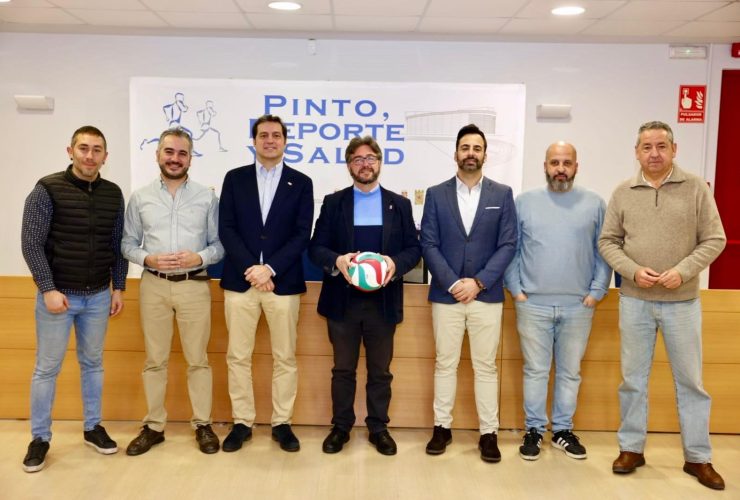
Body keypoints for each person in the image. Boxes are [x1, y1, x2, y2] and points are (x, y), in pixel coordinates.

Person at [598, 121, 726, 490]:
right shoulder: (623, 192)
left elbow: (715, 239)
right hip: (635, 301)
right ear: (636, 152)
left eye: (661, 146)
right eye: (647, 147)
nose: (654, 153)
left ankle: (697, 457)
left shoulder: (696, 188)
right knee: (632, 381)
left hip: (682, 303)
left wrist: (682, 272)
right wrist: (632, 271)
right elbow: (608, 242)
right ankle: (631, 449)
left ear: (674, 149)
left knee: (691, 382)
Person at [21, 125, 127, 472]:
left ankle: (93, 427)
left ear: (105, 156)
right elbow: (31, 244)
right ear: (71, 151)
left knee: (93, 364)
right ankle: (40, 438)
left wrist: (119, 287)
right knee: (46, 369)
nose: (89, 156)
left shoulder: (113, 193)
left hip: (97, 297)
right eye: (83, 148)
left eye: (97, 150)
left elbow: (117, 245)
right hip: (58, 298)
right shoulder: (47, 189)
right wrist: (48, 288)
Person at [309, 135, 420, 456]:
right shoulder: (334, 203)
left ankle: (378, 428)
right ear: (349, 166)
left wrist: (394, 264)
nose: (365, 164)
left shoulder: (399, 205)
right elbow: (316, 248)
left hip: (383, 303)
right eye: (357, 159)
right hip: (342, 302)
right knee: (342, 369)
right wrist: (337, 260)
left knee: (380, 371)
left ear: (380, 163)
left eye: (370, 158)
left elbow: (414, 250)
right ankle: (341, 427)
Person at [504, 141, 611, 461]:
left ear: (576, 166)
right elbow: (511, 249)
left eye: (566, 162)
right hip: (532, 303)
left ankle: (563, 430)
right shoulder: (524, 202)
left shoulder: (595, 203)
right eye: (554, 163)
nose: (560, 168)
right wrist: (516, 290)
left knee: (569, 372)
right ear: (545, 166)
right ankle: (534, 430)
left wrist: (597, 292)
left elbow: (604, 250)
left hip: (579, 305)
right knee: (535, 371)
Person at [122, 127, 224, 456]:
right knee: (155, 360)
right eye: (169, 152)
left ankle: (203, 424)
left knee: (198, 361)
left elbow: (219, 245)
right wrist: (147, 258)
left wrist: (200, 257)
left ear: (190, 158)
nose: (175, 158)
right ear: (158, 155)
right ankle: (154, 427)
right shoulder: (140, 197)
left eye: (182, 153)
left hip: (194, 286)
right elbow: (127, 243)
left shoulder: (207, 197)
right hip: (153, 286)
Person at [420, 123, 517, 462]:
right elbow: (428, 243)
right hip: (446, 295)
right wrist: (453, 283)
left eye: (477, 148)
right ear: (456, 153)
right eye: (465, 147)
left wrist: (478, 282)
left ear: (485, 155)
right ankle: (441, 428)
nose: (470, 153)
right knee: (444, 364)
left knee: (485, 366)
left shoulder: (501, 194)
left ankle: (488, 433)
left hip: (485, 296)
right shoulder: (436, 194)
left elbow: (508, 244)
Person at [218, 115, 314, 453]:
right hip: (241, 281)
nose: (269, 140)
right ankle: (242, 422)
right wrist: (252, 269)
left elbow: (302, 234)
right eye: (263, 135)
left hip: (282, 282)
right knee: (237, 356)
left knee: (284, 357)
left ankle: (281, 423)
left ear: (285, 141)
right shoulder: (235, 179)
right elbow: (226, 228)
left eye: (276, 135)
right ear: (254, 141)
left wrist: (270, 269)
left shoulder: (301, 182)